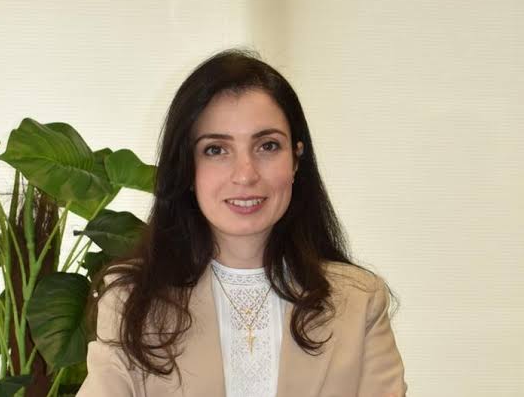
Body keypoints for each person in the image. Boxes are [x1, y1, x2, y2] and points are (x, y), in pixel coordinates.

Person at [77, 49, 407, 397]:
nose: (245, 175)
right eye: (216, 150)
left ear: (296, 159)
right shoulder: (131, 303)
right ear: (187, 168)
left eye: (267, 146)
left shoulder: (359, 302)